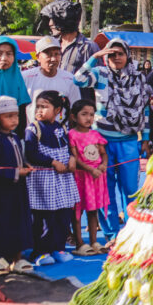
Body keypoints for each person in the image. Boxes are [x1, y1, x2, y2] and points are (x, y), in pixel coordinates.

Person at [74, 39, 153, 241]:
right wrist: (95, 57)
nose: (116, 57)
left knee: (130, 190)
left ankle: (132, 232)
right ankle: (111, 234)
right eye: (112, 54)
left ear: (127, 55)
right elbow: (78, 79)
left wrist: (144, 137)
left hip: (128, 142)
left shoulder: (138, 78)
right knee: (105, 190)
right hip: (101, 143)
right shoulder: (100, 74)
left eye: (120, 53)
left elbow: (144, 109)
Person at [24, 91, 79, 265]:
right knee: (43, 216)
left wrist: (71, 158)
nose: (39, 110)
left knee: (62, 214)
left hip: (62, 180)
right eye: (37, 106)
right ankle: (40, 251)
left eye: (44, 107)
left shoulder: (61, 128)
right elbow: (31, 154)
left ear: (57, 110)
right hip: (43, 181)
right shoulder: (33, 129)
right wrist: (52, 162)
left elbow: (68, 148)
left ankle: (58, 247)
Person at [0, 96, 34, 275]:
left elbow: (18, 156)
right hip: (0, 191)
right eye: (8, 116)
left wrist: (25, 166)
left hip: (17, 190)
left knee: (18, 221)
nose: (14, 120)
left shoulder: (14, 136)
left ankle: (17, 259)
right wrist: (15, 172)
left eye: (16, 116)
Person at [37, 0, 100, 101]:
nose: (50, 23)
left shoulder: (88, 47)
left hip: (79, 106)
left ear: (63, 19)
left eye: (53, 19)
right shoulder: (53, 45)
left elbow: (98, 83)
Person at [68, 100, 108, 255]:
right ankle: (80, 243)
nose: (88, 118)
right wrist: (90, 169)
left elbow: (103, 154)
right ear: (73, 116)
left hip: (96, 179)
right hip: (80, 178)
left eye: (91, 114)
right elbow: (75, 157)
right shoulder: (72, 135)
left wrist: (103, 165)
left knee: (93, 210)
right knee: (78, 210)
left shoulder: (96, 134)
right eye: (84, 114)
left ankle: (94, 241)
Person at [22, 36, 81, 111]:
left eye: (56, 54)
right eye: (48, 54)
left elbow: (75, 108)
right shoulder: (26, 77)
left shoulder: (70, 79)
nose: (53, 59)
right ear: (38, 57)